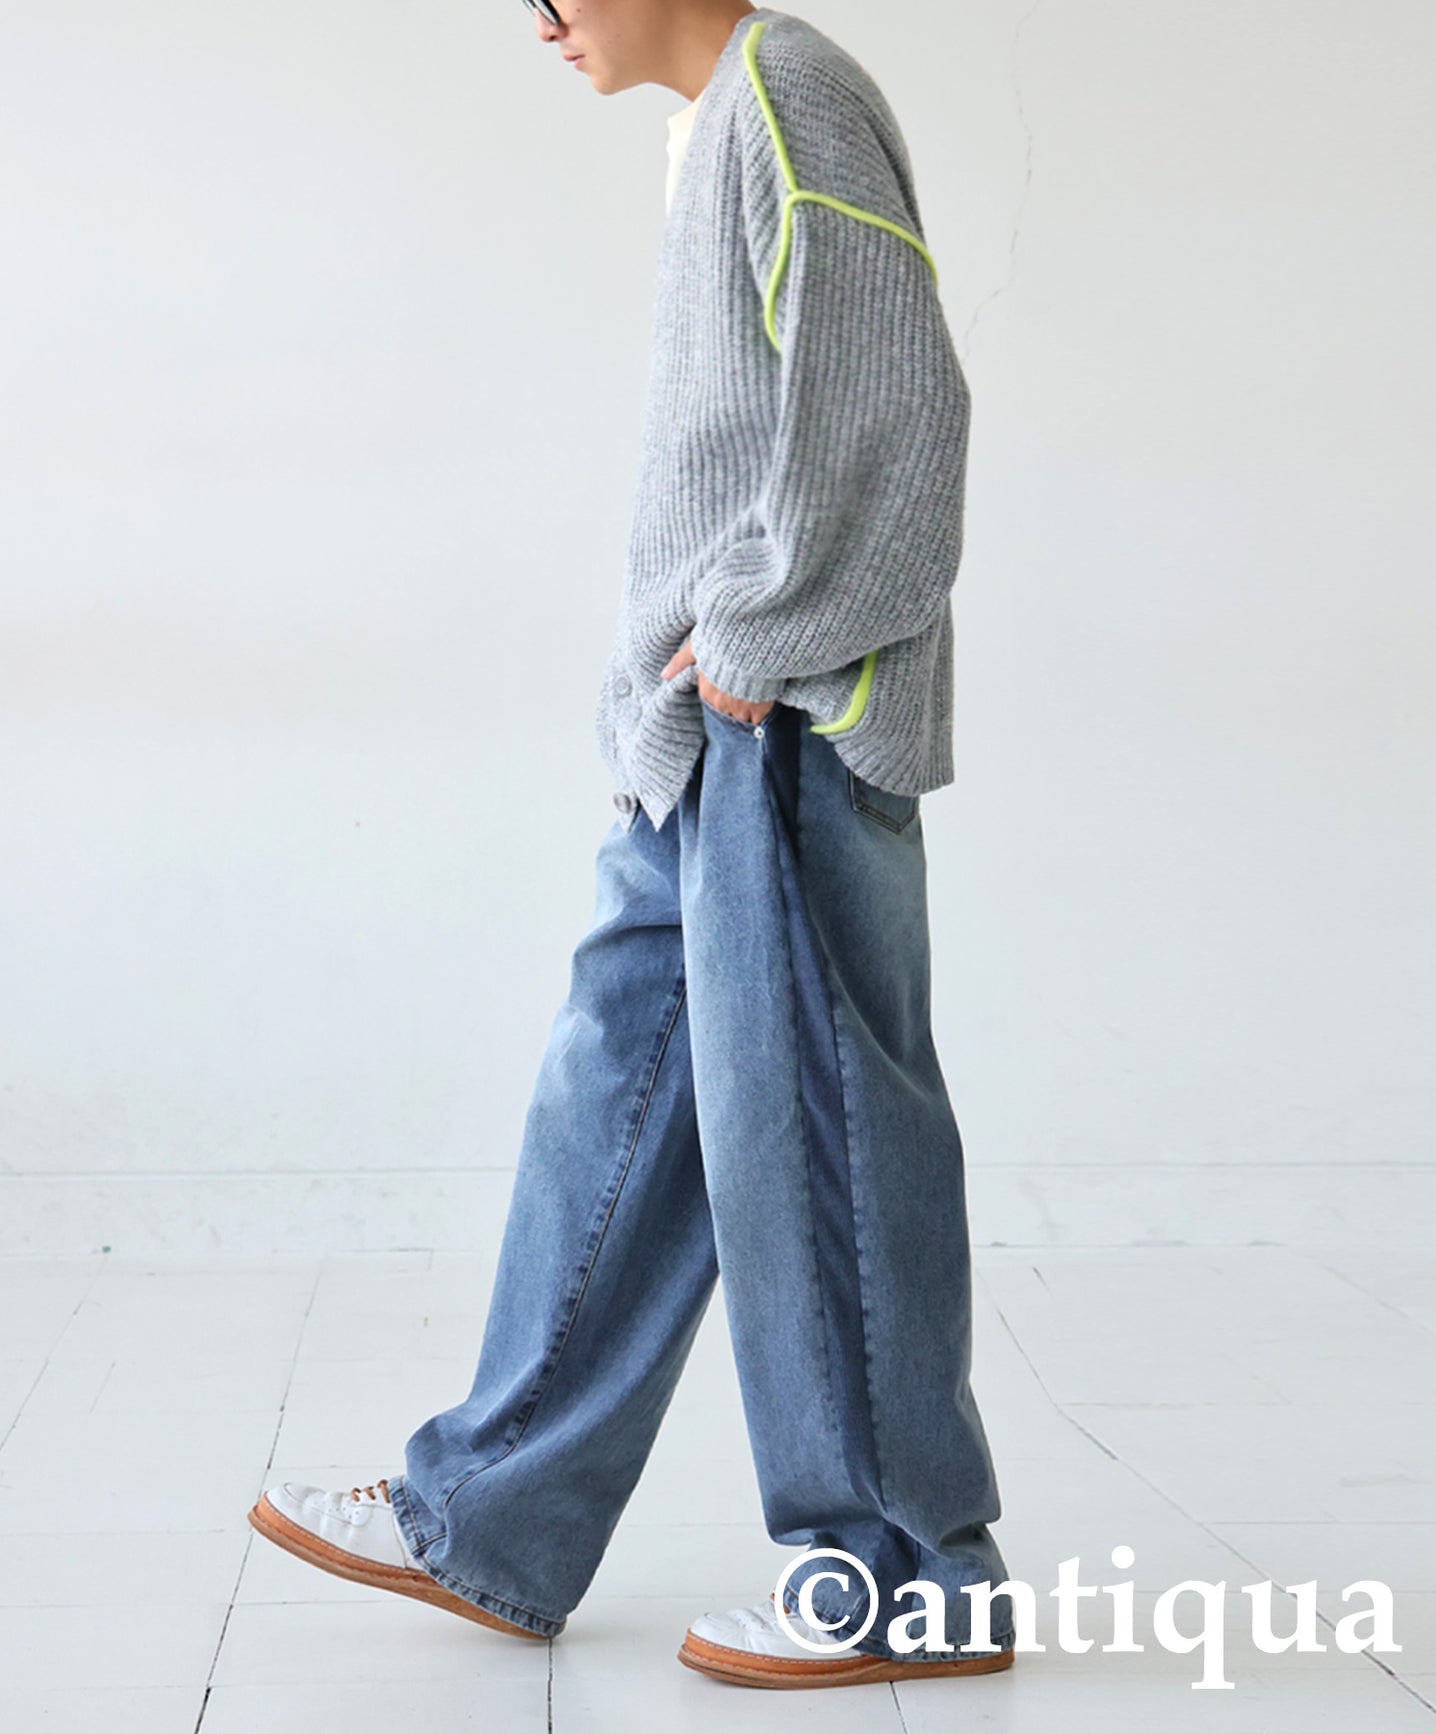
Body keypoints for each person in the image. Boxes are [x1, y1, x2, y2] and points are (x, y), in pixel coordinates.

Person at [249, 0, 1018, 1689]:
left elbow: (898, 411)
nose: (537, 17)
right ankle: (489, 1516)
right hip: (697, 738)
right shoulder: (727, 116)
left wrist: (758, 639)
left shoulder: (790, 92)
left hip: (777, 723)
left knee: (814, 1136)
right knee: (614, 1095)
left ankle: (906, 1571)